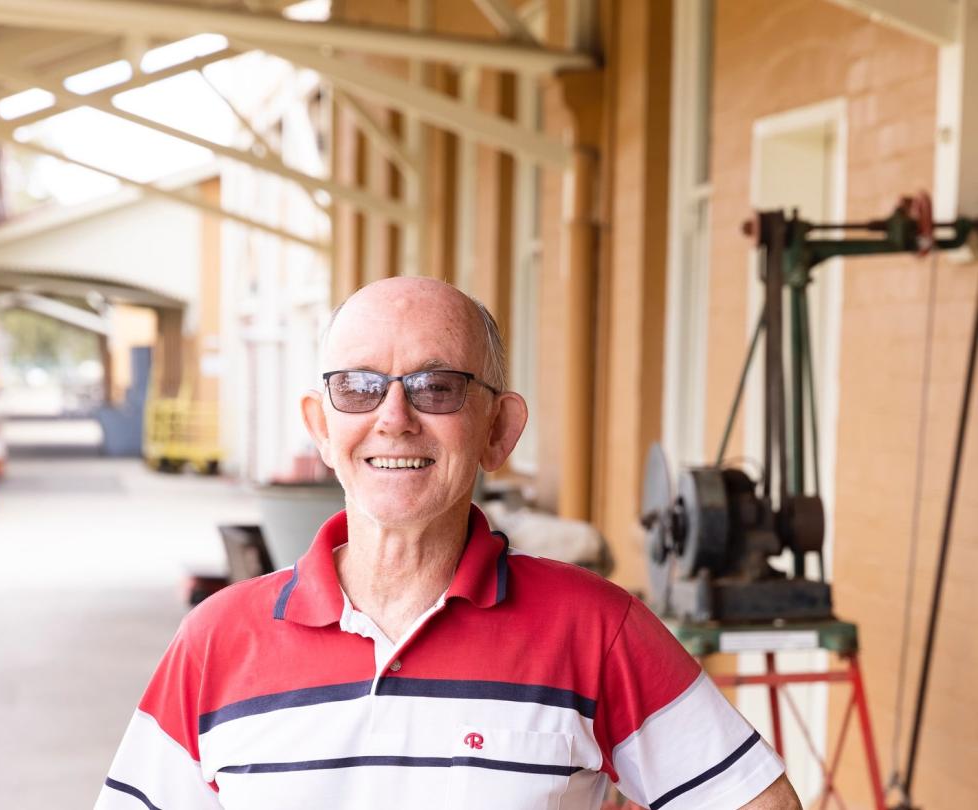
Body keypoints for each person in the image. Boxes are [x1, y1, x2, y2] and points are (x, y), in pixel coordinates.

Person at [97, 277, 801, 809]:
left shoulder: (596, 630)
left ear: (499, 429)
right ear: (320, 425)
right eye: (358, 387)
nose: (394, 418)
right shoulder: (217, 641)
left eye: (437, 387)